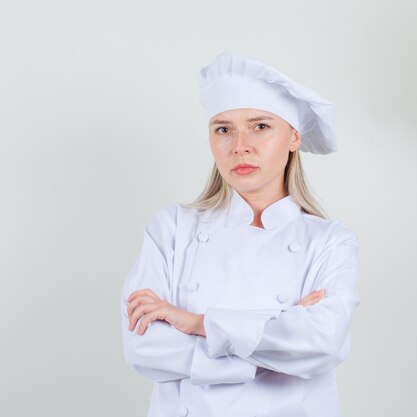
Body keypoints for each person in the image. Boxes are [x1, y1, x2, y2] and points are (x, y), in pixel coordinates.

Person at [120, 52, 360, 417]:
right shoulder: (171, 229)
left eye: (260, 126)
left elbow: (322, 342)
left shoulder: (329, 241)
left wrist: (195, 323)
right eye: (223, 129)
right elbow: (144, 348)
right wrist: (269, 352)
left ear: (294, 137)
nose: (239, 146)